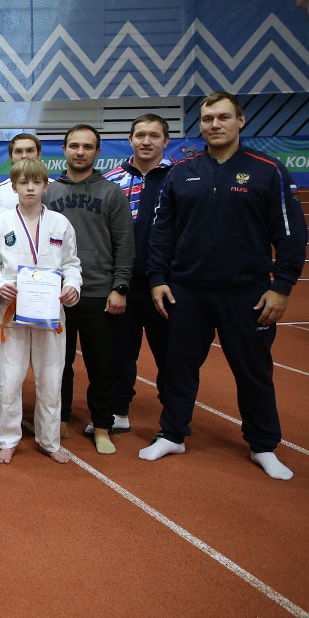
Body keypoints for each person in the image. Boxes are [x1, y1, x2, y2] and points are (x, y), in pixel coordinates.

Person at [141, 92, 307, 480]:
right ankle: (172, 433)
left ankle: (263, 445)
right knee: (178, 368)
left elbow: (291, 233)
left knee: (254, 372)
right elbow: (162, 230)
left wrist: (282, 286)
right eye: (207, 119)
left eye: (223, 117)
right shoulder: (182, 172)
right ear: (199, 125)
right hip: (187, 290)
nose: (214, 124)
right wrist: (158, 278)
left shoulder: (269, 170)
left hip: (247, 293)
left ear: (240, 121)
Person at [0, 158, 82, 465]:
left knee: (51, 379)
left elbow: (71, 263)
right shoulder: (1, 223)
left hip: (50, 313)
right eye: (23, 183)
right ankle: (7, 439)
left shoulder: (60, 223)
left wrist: (72, 286)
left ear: (45, 186)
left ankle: (49, 440)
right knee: (9, 379)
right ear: (13, 187)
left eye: (36, 182)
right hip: (12, 311)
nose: (30, 188)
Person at [45, 124, 133, 454]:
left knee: (102, 365)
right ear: (64, 150)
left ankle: (102, 425)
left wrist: (120, 286)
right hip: (57, 295)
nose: (80, 152)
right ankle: (61, 418)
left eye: (87, 146)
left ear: (97, 152)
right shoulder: (49, 193)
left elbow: (125, 243)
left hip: (99, 292)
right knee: (59, 365)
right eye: (74, 146)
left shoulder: (112, 193)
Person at [102, 114, 174, 433]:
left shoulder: (181, 177)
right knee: (120, 353)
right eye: (140, 135)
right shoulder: (112, 180)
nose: (146, 141)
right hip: (123, 285)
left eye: (154, 136)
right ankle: (118, 412)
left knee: (171, 356)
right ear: (130, 139)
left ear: (165, 141)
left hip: (165, 286)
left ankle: (173, 419)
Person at [0, 133, 42, 212]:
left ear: (39, 154)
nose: (24, 156)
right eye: (19, 151)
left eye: (29, 151)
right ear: (10, 156)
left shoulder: (53, 188)